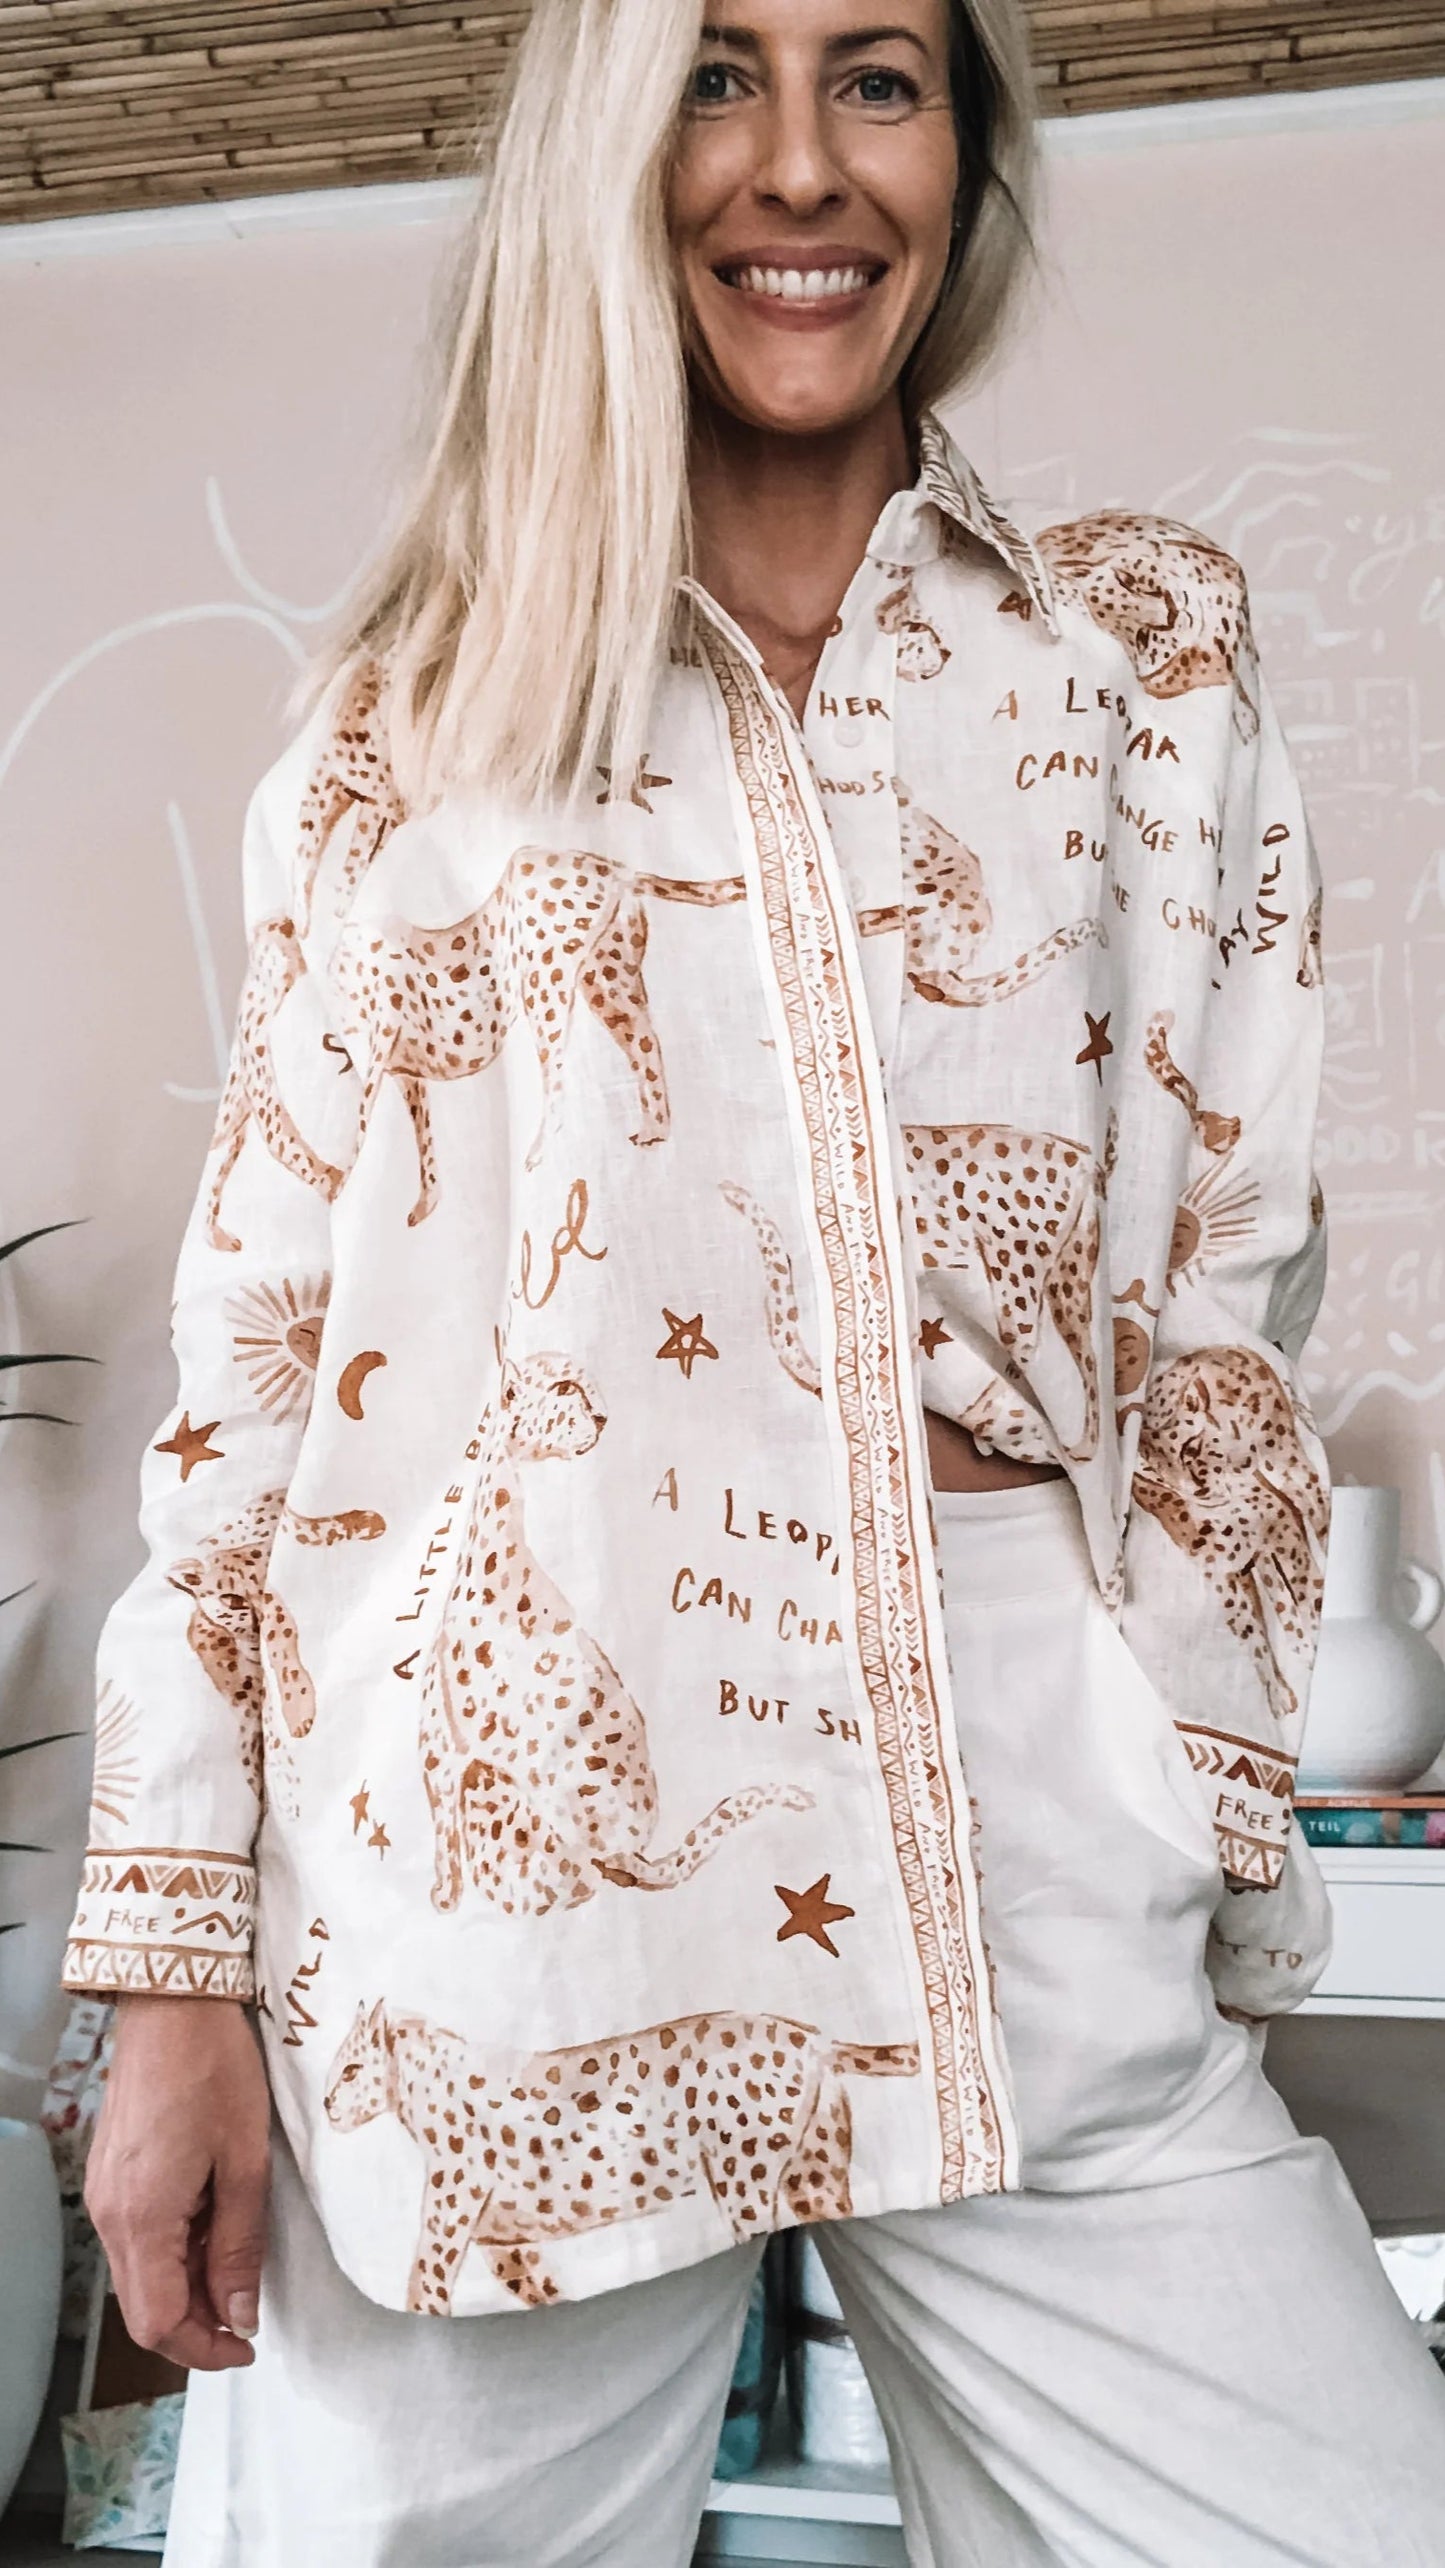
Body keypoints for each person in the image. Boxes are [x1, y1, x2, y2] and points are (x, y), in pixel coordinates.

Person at [62, 1, 1445, 2560]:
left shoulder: (1144, 658)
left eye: (880, 78)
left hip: (1034, 1777)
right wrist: (171, 1972)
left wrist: (1185, 1765)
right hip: (511, 1826)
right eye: (716, 75)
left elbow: (1233, 1263)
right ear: (613, 146)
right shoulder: (408, 727)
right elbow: (252, 1385)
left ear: (970, 149)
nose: (801, 167)